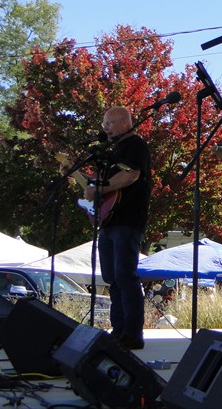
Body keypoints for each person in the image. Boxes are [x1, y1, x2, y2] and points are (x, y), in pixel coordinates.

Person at [85, 106, 151, 350]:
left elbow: (130, 176)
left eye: (109, 123)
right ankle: (119, 330)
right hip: (109, 220)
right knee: (112, 278)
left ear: (124, 122)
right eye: (104, 124)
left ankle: (132, 333)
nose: (106, 128)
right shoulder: (112, 151)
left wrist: (100, 189)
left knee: (125, 275)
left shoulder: (136, 146)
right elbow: (100, 184)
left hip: (128, 219)